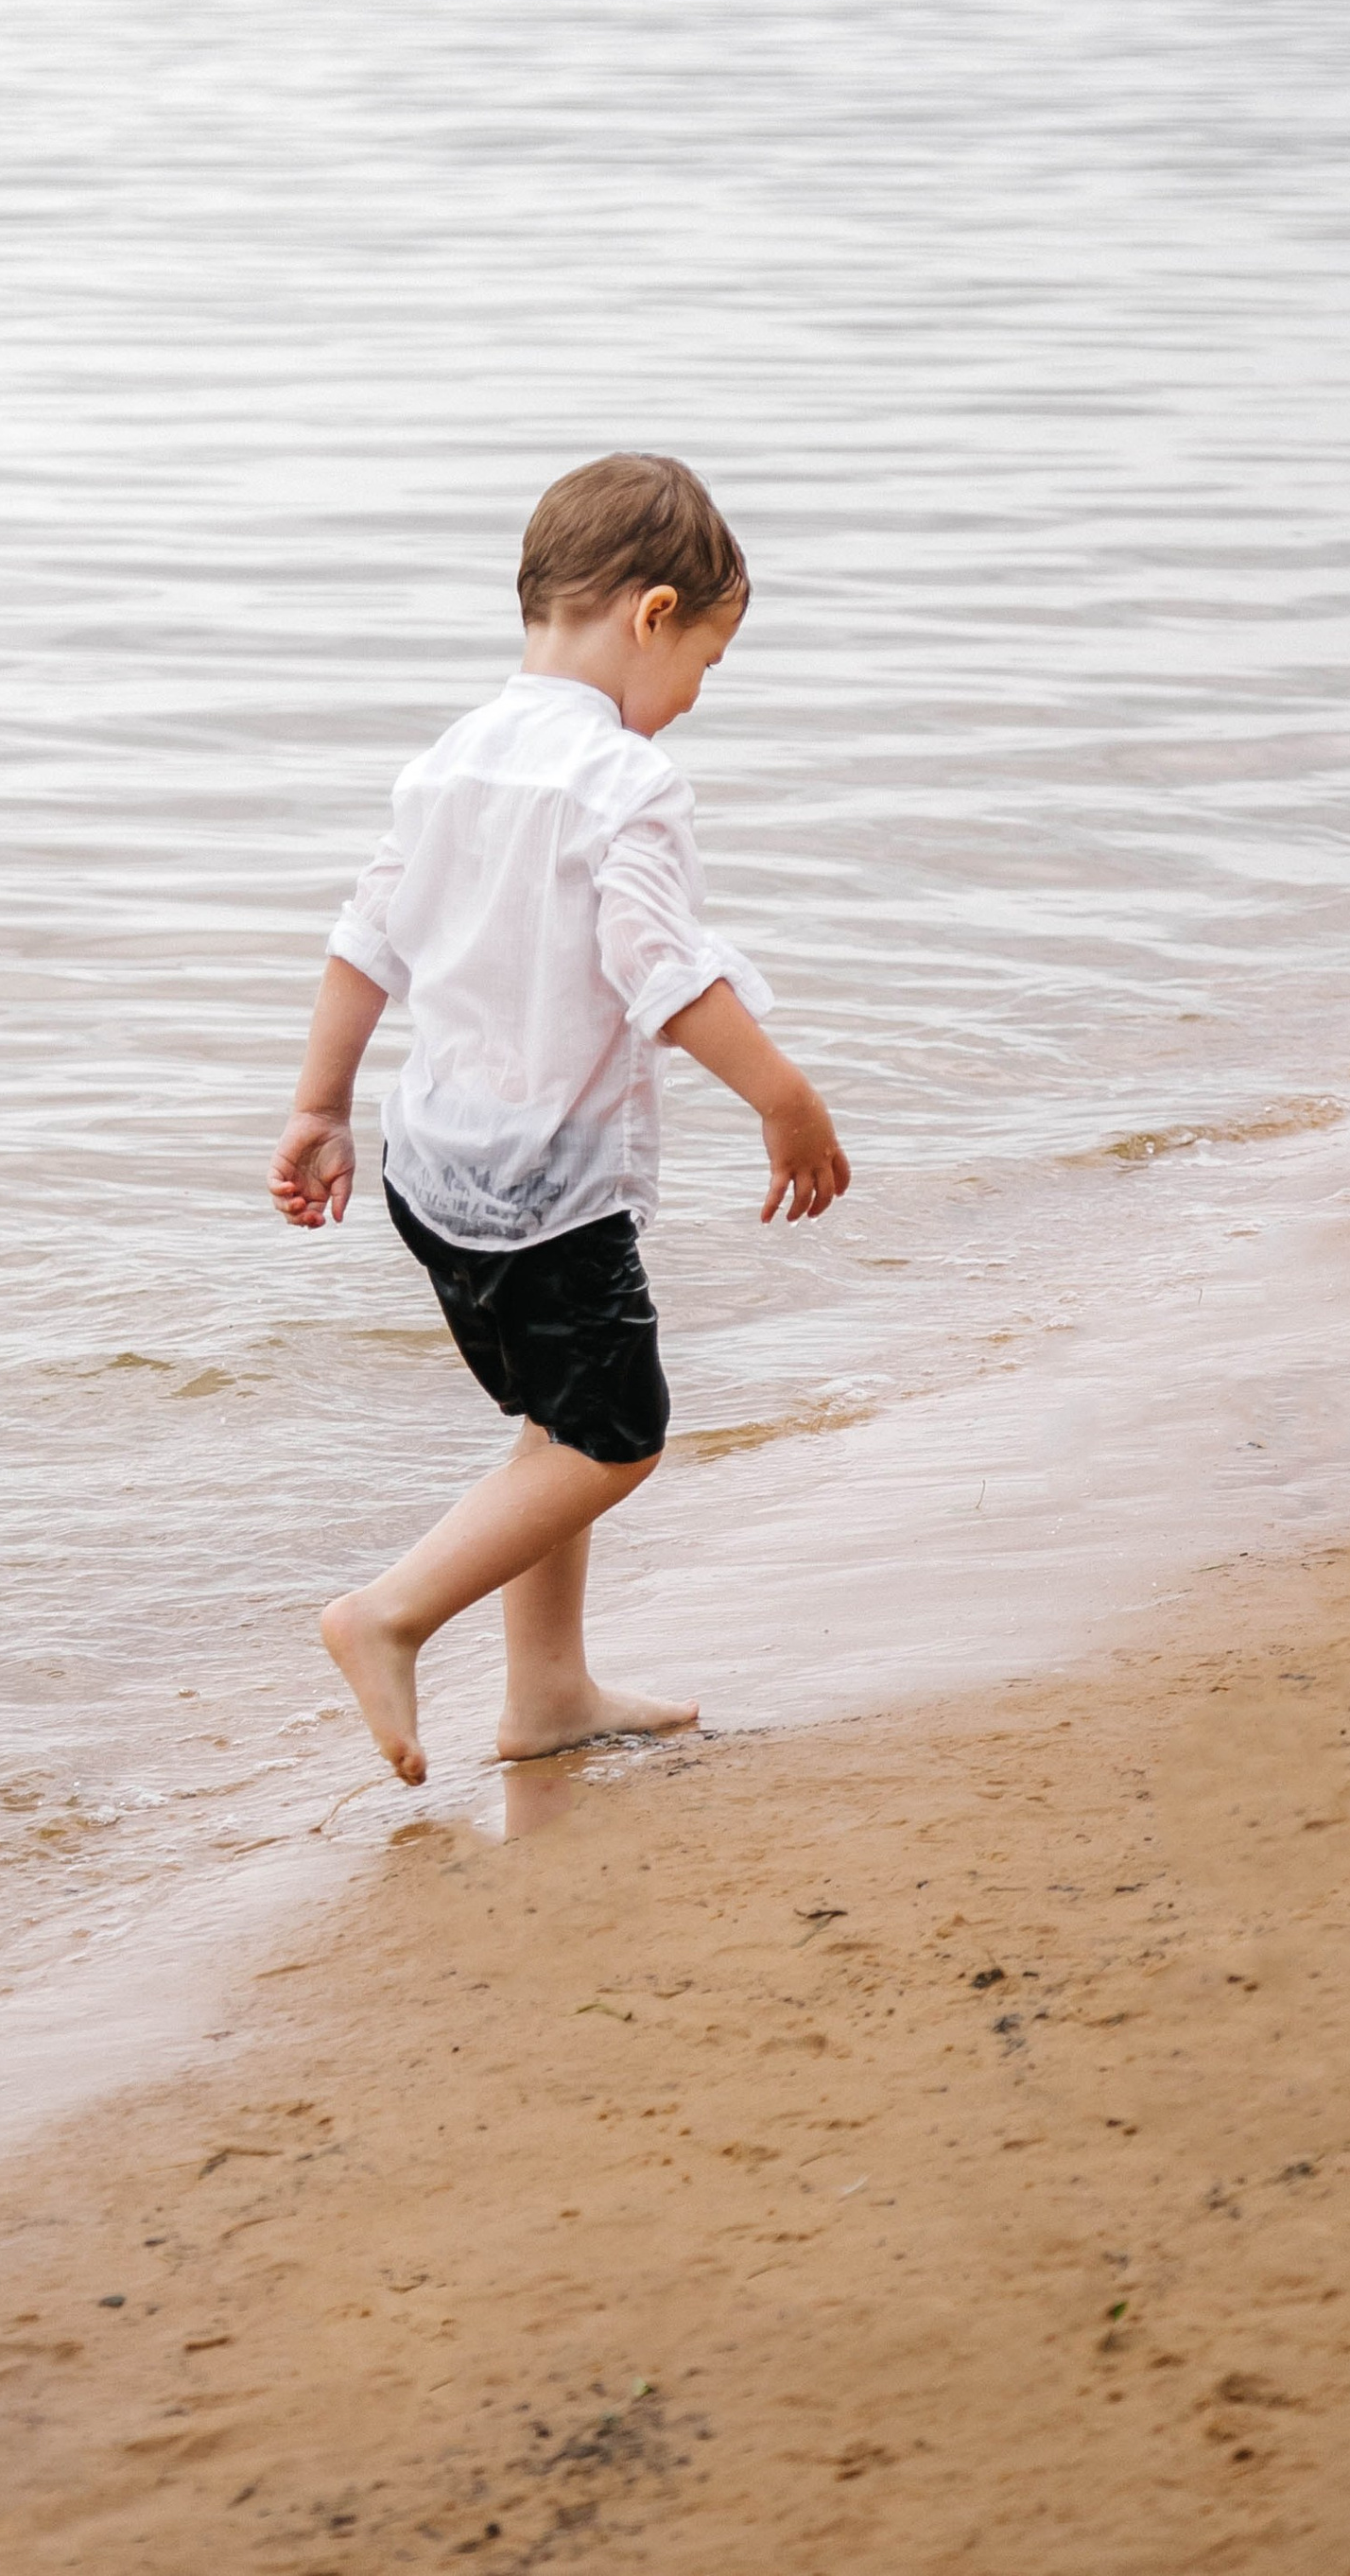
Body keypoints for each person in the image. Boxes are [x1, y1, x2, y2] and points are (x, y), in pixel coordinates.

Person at [268, 452, 849, 1786]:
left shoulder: (453, 756)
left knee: (552, 1423)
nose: (691, 704)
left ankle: (547, 1690)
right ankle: (390, 1614)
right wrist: (787, 1098)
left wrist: (319, 1106)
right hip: (546, 1185)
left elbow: (368, 940)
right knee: (614, 1434)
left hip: (431, 1167)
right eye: (705, 665)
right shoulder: (620, 782)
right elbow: (662, 973)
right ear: (653, 616)